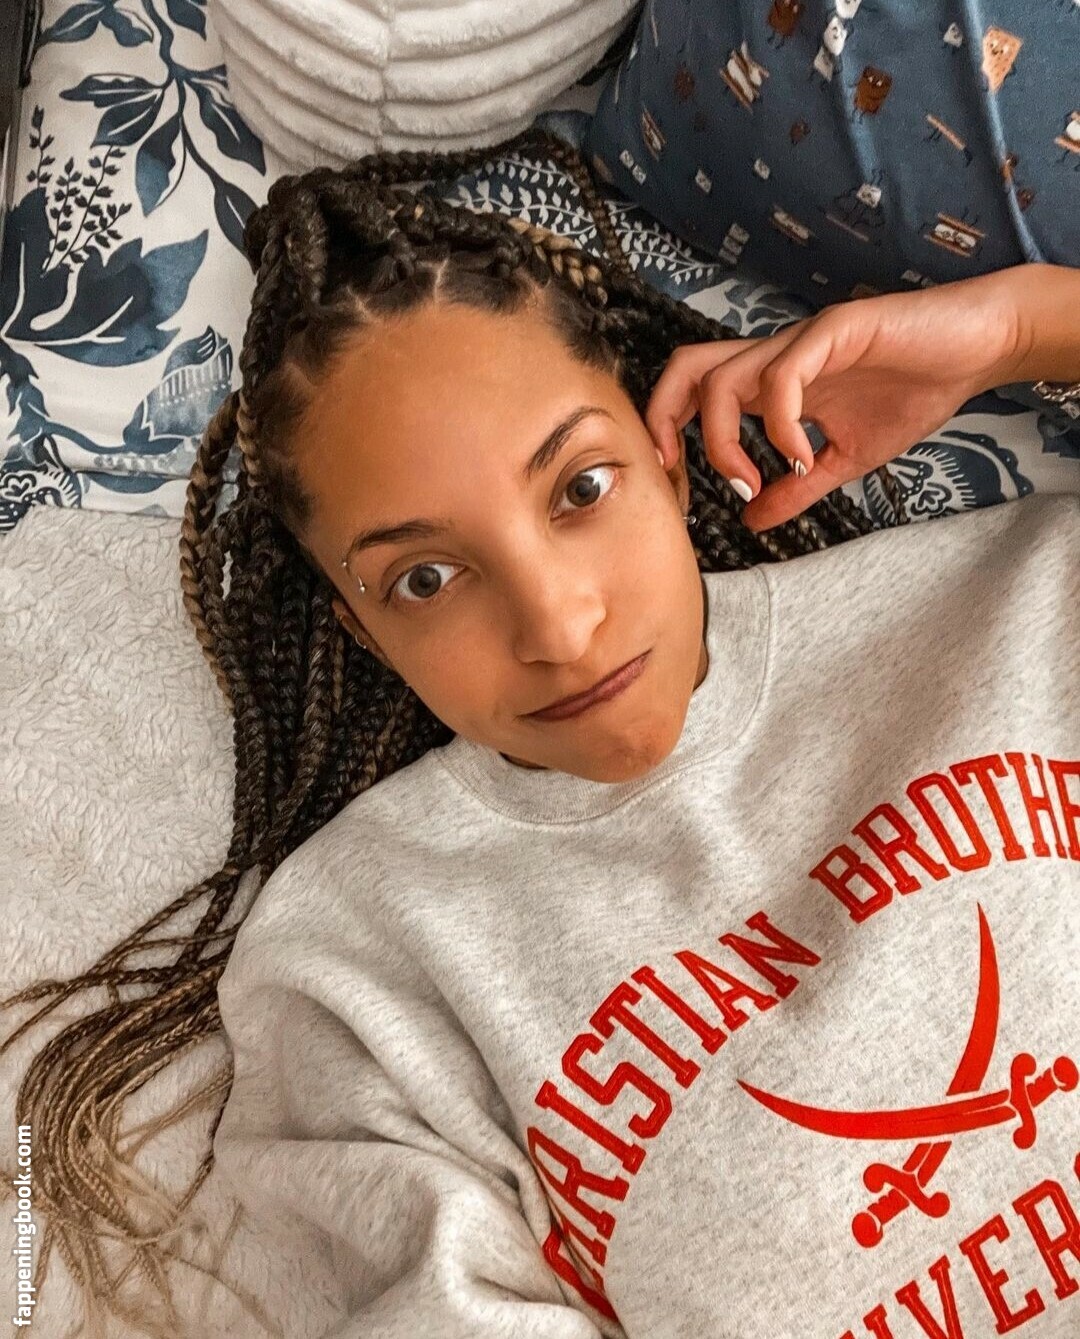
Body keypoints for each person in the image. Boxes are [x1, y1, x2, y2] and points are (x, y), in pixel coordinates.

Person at [1, 126, 1076, 1338]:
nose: (558, 628)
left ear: (668, 463)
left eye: (581, 488)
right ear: (362, 630)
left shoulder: (1021, 600)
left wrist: (1021, 328)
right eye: (423, 579)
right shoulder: (361, 966)